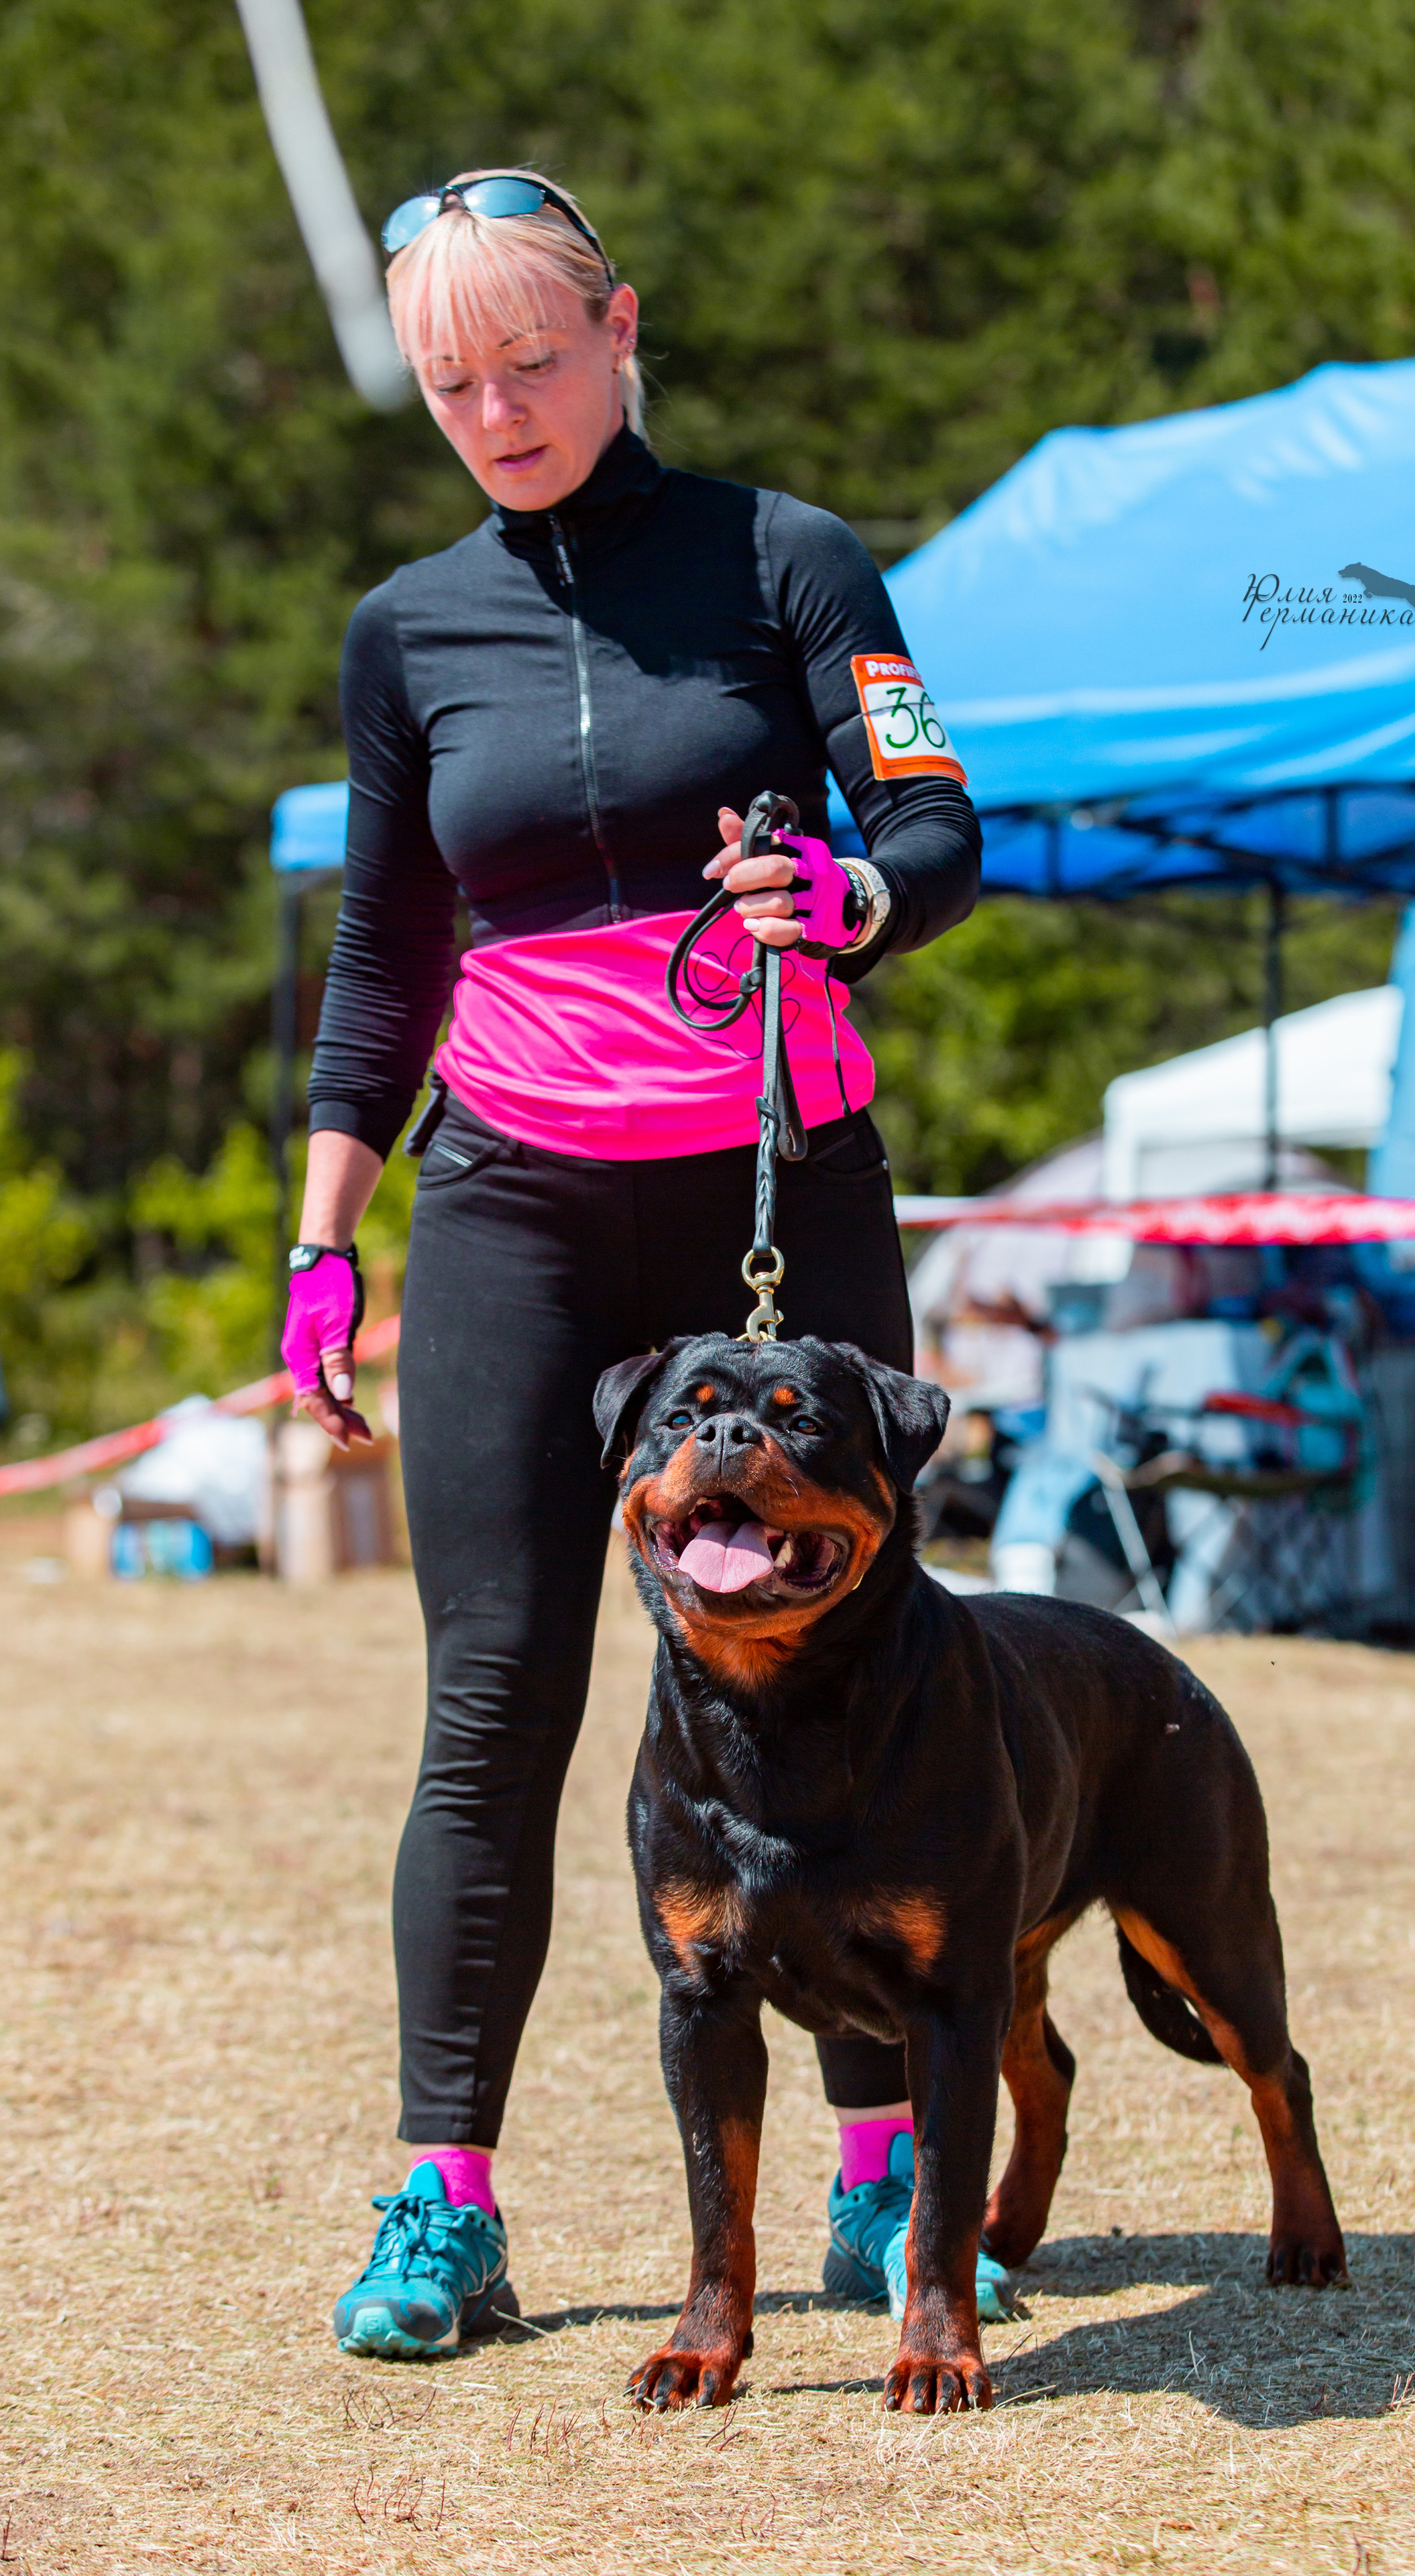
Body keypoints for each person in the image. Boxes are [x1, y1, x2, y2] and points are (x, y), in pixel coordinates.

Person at [281, 170, 993, 2357]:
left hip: (779, 1180)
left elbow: (940, 824)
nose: (495, 411)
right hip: (510, 1196)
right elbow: (388, 955)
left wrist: (853, 902)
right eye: (450, 381)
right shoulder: (409, 632)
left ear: (619, 326)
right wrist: (326, 1241)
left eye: (532, 360)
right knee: (496, 1699)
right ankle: (445, 2200)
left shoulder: (792, 561)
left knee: (851, 1660)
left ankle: (881, 2170)